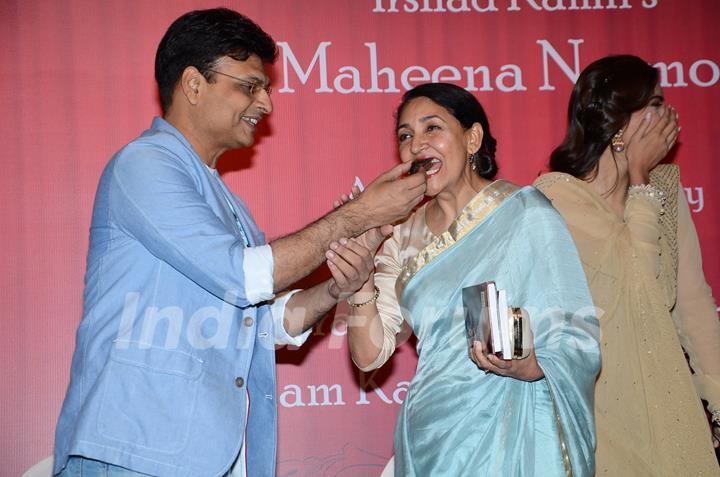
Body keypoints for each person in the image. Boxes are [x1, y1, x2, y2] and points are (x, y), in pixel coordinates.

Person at [52, 8, 427, 477]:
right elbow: (242, 275)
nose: (266, 103)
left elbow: (256, 323)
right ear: (193, 84)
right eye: (250, 86)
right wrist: (362, 213)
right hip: (136, 451)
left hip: (203, 457)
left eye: (265, 87)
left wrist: (336, 289)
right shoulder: (144, 165)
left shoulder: (228, 204)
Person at [331, 83, 601, 476]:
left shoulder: (526, 213)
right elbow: (370, 355)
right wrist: (360, 282)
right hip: (431, 437)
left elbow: (576, 328)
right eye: (406, 136)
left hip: (510, 430)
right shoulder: (401, 234)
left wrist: (530, 367)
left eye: (432, 129)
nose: (416, 145)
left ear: (472, 138)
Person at [534, 54, 720, 475]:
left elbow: (693, 306)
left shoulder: (665, 191)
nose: (668, 115)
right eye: (655, 104)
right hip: (596, 414)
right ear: (619, 122)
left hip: (668, 404)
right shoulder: (554, 204)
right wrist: (638, 177)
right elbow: (638, 285)